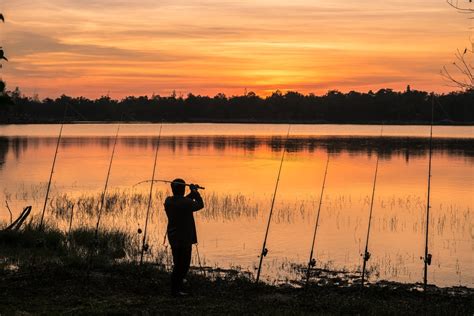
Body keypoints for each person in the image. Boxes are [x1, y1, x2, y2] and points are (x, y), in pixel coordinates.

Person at [164, 178, 204, 297]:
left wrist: (192, 192)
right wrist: (195, 192)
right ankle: (175, 291)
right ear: (183, 189)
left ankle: (177, 286)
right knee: (183, 265)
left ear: (173, 189)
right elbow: (200, 204)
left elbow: (183, 201)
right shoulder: (186, 203)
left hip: (173, 236)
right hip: (184, 237)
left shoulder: (169, 201)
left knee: (178, 262)